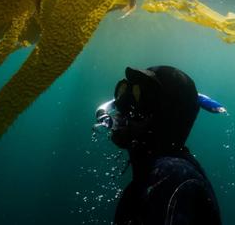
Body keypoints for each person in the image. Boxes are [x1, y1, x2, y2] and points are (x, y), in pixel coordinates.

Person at [94, 66, 222, 225]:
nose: (123, 108)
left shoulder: (171, 176)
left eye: (139, 96)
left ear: (166, 115)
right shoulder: (162, 174)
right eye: (124, 92)